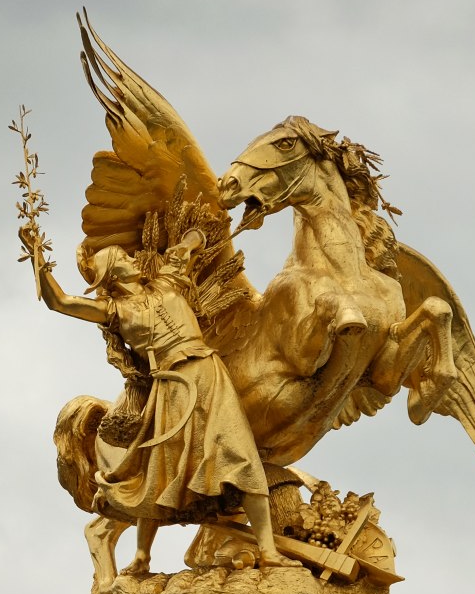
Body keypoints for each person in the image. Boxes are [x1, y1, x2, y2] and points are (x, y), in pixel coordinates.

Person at [24, 228, 292, 570]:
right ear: (110, 274)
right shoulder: (114, 310)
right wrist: (38, 259)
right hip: (170, 388)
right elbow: (59, 302)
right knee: (157, 469)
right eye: (122, 258)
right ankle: (141, 556)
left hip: (209, 375)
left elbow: (194, 241)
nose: (131, 259)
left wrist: (192, 238)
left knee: (241, 456)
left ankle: (268, 551)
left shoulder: (166, 281)